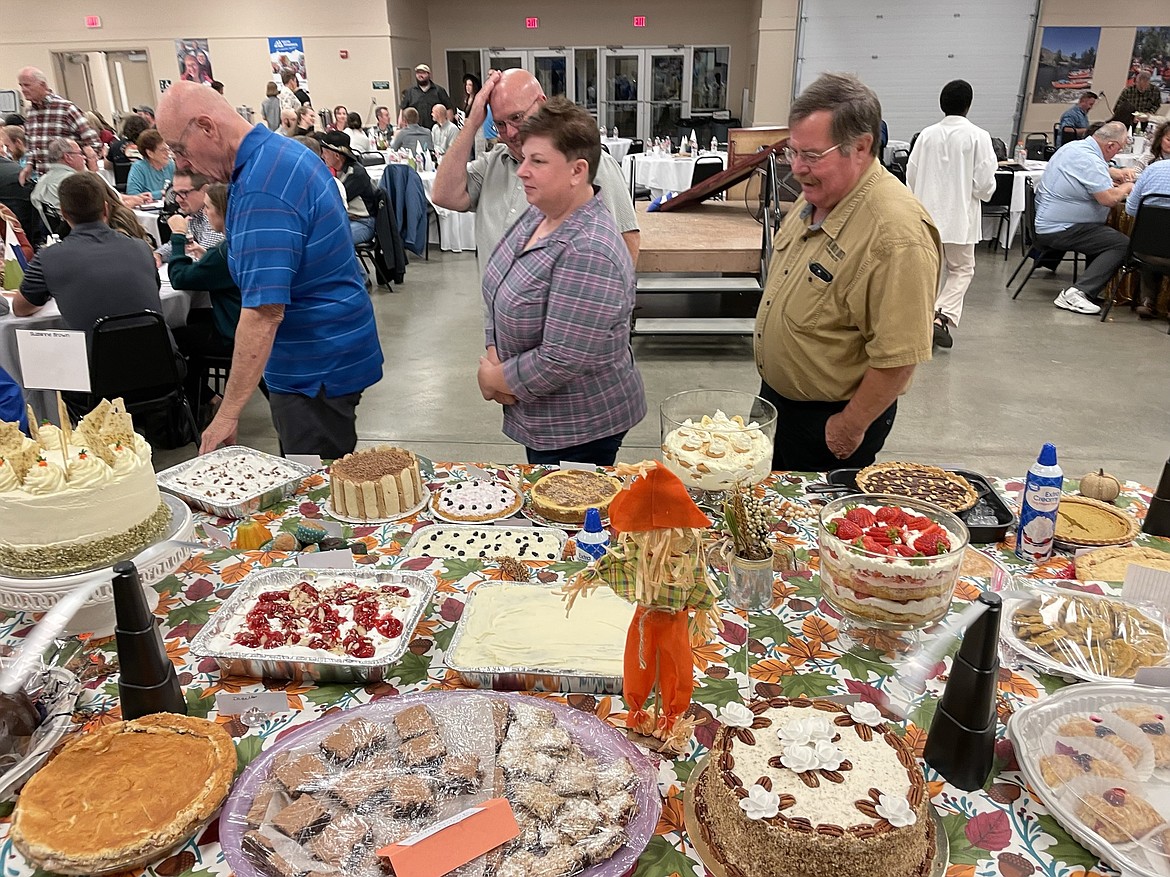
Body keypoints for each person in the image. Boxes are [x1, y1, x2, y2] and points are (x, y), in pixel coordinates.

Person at [156, 81, 383, 458]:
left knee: (315, 492)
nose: (180, 163)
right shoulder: (279, 154)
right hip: (327, 351)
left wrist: (227, 413)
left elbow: (263, 312)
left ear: (207, 127)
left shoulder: (263, 187)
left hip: (312, 367)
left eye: (179, 149)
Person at [755, 72, 941, 472]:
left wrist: (849, 425)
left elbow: (898, 357)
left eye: (812, 156)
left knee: (806, 529)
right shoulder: (818, 198)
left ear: (861, 147)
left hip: (829, 421)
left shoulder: (896, 234)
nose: (797, 168)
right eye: (793, 152)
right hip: (778, 404)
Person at [477, 98, 646, 466]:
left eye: (537, 161)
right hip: (541, 412)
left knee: (570, 517)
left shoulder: (590, 249)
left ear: (577, 170)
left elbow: (560, 359)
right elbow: (496, 282)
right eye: (524, 158)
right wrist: (495, 351)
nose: (522, 171)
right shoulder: (542, 214)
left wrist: (496, 378)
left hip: (579, 427)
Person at [432, 68, 640, 271]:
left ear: (541, 104)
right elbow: (443, 195)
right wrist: (472, 123)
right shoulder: (492, 164)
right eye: (500, 124)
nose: (511, 132)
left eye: (517, 117)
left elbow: (626, 239)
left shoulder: (586, 163)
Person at [14, 174, 164, 338]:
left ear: (63, 213)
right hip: (162, 356)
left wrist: (51, 291)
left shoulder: (48, 257)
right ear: (106, 209)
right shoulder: (140, 248)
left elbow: (20, 309)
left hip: (93, 360)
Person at [906, 79, 997, 349]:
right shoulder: (978, 136)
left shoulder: (926, 135)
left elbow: (911, 174)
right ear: (968, 105)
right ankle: (940, 317)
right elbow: (984, 182)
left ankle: (919, 319)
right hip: (959, 216)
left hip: (925, 215)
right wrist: (985, 191)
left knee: (927, 270)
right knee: (961, 269)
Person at [1034, 122, 1134, 315]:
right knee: (1121, 244)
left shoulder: (1074, 148)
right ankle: (1078, 292)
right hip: (1062, 228)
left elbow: (1090, 171)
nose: (1116, 154)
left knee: (1104, 234)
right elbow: (1108, 199)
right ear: (1110, 146)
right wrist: (1127, 187)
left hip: (1051, 222)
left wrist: (1114, 172)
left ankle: (1089, 288)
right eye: (1118, 149)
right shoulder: (1090, 160)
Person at [167, 182, 242, 418]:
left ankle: (204, 398)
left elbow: (179, 278)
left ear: (222, 210)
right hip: (238, 320)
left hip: (232, 332)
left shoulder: (224, 252)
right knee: (189, 323)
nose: (206, 212)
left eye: (209, 207)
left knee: (168, 342)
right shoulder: (237, 242)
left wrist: (178, 236)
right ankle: (206, 396)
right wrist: (205, 256)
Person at [16, 67, 101, 184]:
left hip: (72, 181)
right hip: (45, 182)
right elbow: (32, 147)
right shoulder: (30, 112)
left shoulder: (66, 109)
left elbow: (93, 142)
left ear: (43, 85)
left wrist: (85, 169)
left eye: (27, 85)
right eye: (21, 85)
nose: (23, 90)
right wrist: (29, 165)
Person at [1124, 154, 1170, 318]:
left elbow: (1130, 209)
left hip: (1144, 251)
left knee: (1154, 239)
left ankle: (1147, 301)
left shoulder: (1152, 169)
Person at [154, 170, 225, 265]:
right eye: (176, 193)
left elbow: (201, 263)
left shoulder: (215, 216)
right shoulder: (193, 214)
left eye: (184, 192)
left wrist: (178, 233)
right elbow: (181, 246)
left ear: (205, 190)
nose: (178, 199)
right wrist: (159, 254)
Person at [319, 131, 378, 244]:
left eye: (325, 152)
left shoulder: (356, 174)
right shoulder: (336, 171)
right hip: (346, 220)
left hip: (363, 222)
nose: (322, 156)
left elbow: (336, 201)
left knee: (332, 241)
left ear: (337, 155)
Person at [125, 130, 175, 198]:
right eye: (163, 150)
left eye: (168, 149)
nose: (167, 153)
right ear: (150, 153)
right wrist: (161, 193)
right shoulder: (139, 168)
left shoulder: (171, 165)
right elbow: (133, 195)